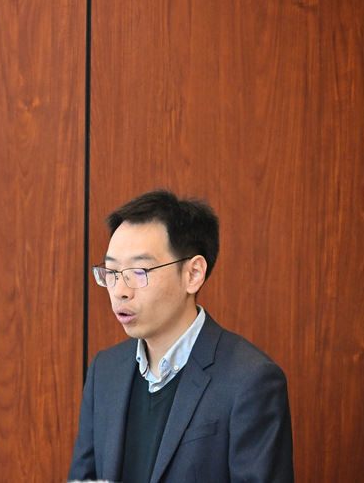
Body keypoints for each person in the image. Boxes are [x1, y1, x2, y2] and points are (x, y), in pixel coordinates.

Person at [68, 189, 294, 483]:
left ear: (193, 274)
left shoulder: (250, 380)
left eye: (138, 271)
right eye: (111, 271)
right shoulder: (105, 370)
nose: (119, 291)